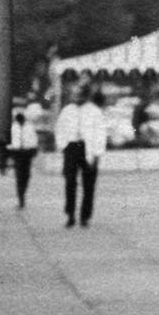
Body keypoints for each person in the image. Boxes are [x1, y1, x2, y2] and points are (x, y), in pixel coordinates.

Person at [54, 84, 107, 227]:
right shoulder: (67, 111)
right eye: (74, 94)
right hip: (71, 147)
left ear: (86, 95)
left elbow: (100, 133)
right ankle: (70, 214)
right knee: (70, 181)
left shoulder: (95, 112)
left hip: (88, 148)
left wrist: (97, 153)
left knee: (88, 184)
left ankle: (85, 216)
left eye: (79, 94)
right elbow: (60, 129)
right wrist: (63, 146)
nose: (76, 97)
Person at [6, 99, 42, 209]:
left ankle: (23, 192)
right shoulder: (13, 128)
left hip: (27, 153)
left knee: (26, 176)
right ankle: (21, 198)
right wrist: (9, 152)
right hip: (17, 153)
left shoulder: (29, 127)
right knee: (19, 176)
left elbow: (34, 140)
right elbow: (9, 141)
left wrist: (33, 151)